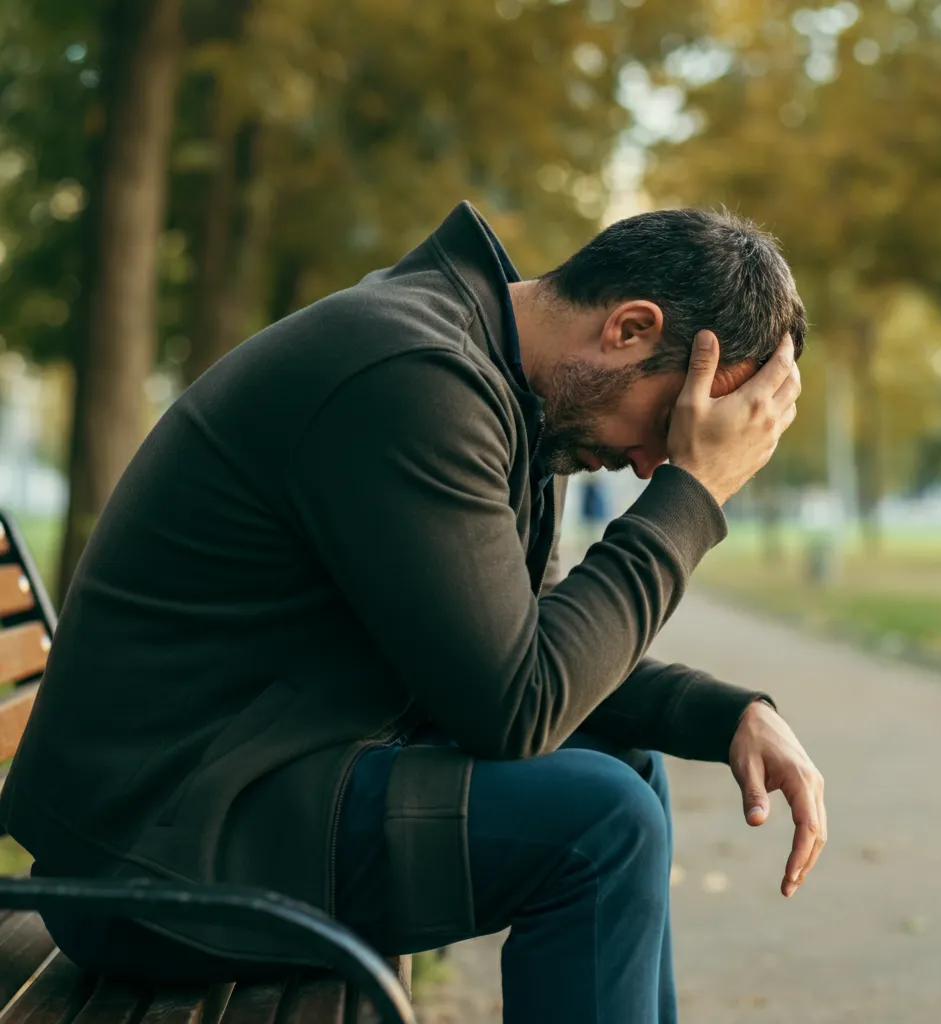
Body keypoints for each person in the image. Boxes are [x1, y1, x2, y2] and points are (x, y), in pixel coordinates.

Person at [1, 202, 826, 1023]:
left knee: (628, 769)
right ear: (629, 329)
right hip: (153, 861)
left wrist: (720, 713)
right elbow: (519, 706)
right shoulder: (411, 375)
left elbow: (522, 639)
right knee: (597, 825)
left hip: (234, 800)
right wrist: (693, 497)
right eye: (665, 429)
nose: (652, 465)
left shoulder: (498, 379)